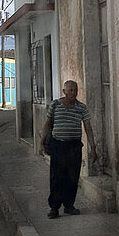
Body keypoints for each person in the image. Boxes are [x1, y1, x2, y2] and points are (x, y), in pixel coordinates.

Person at [37, 80, 98, 219]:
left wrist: (93, 148)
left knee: (72, 176)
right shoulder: (55, 105)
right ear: (64, 92)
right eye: (70, 90)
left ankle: (69, 206)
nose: (73, 93)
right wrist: (41, 143)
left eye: (75, 90)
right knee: (57, 177)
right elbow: (48, 124)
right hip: (58, 145)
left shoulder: (81, 108)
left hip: (74, 147)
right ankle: (54, 208)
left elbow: (88, 128)